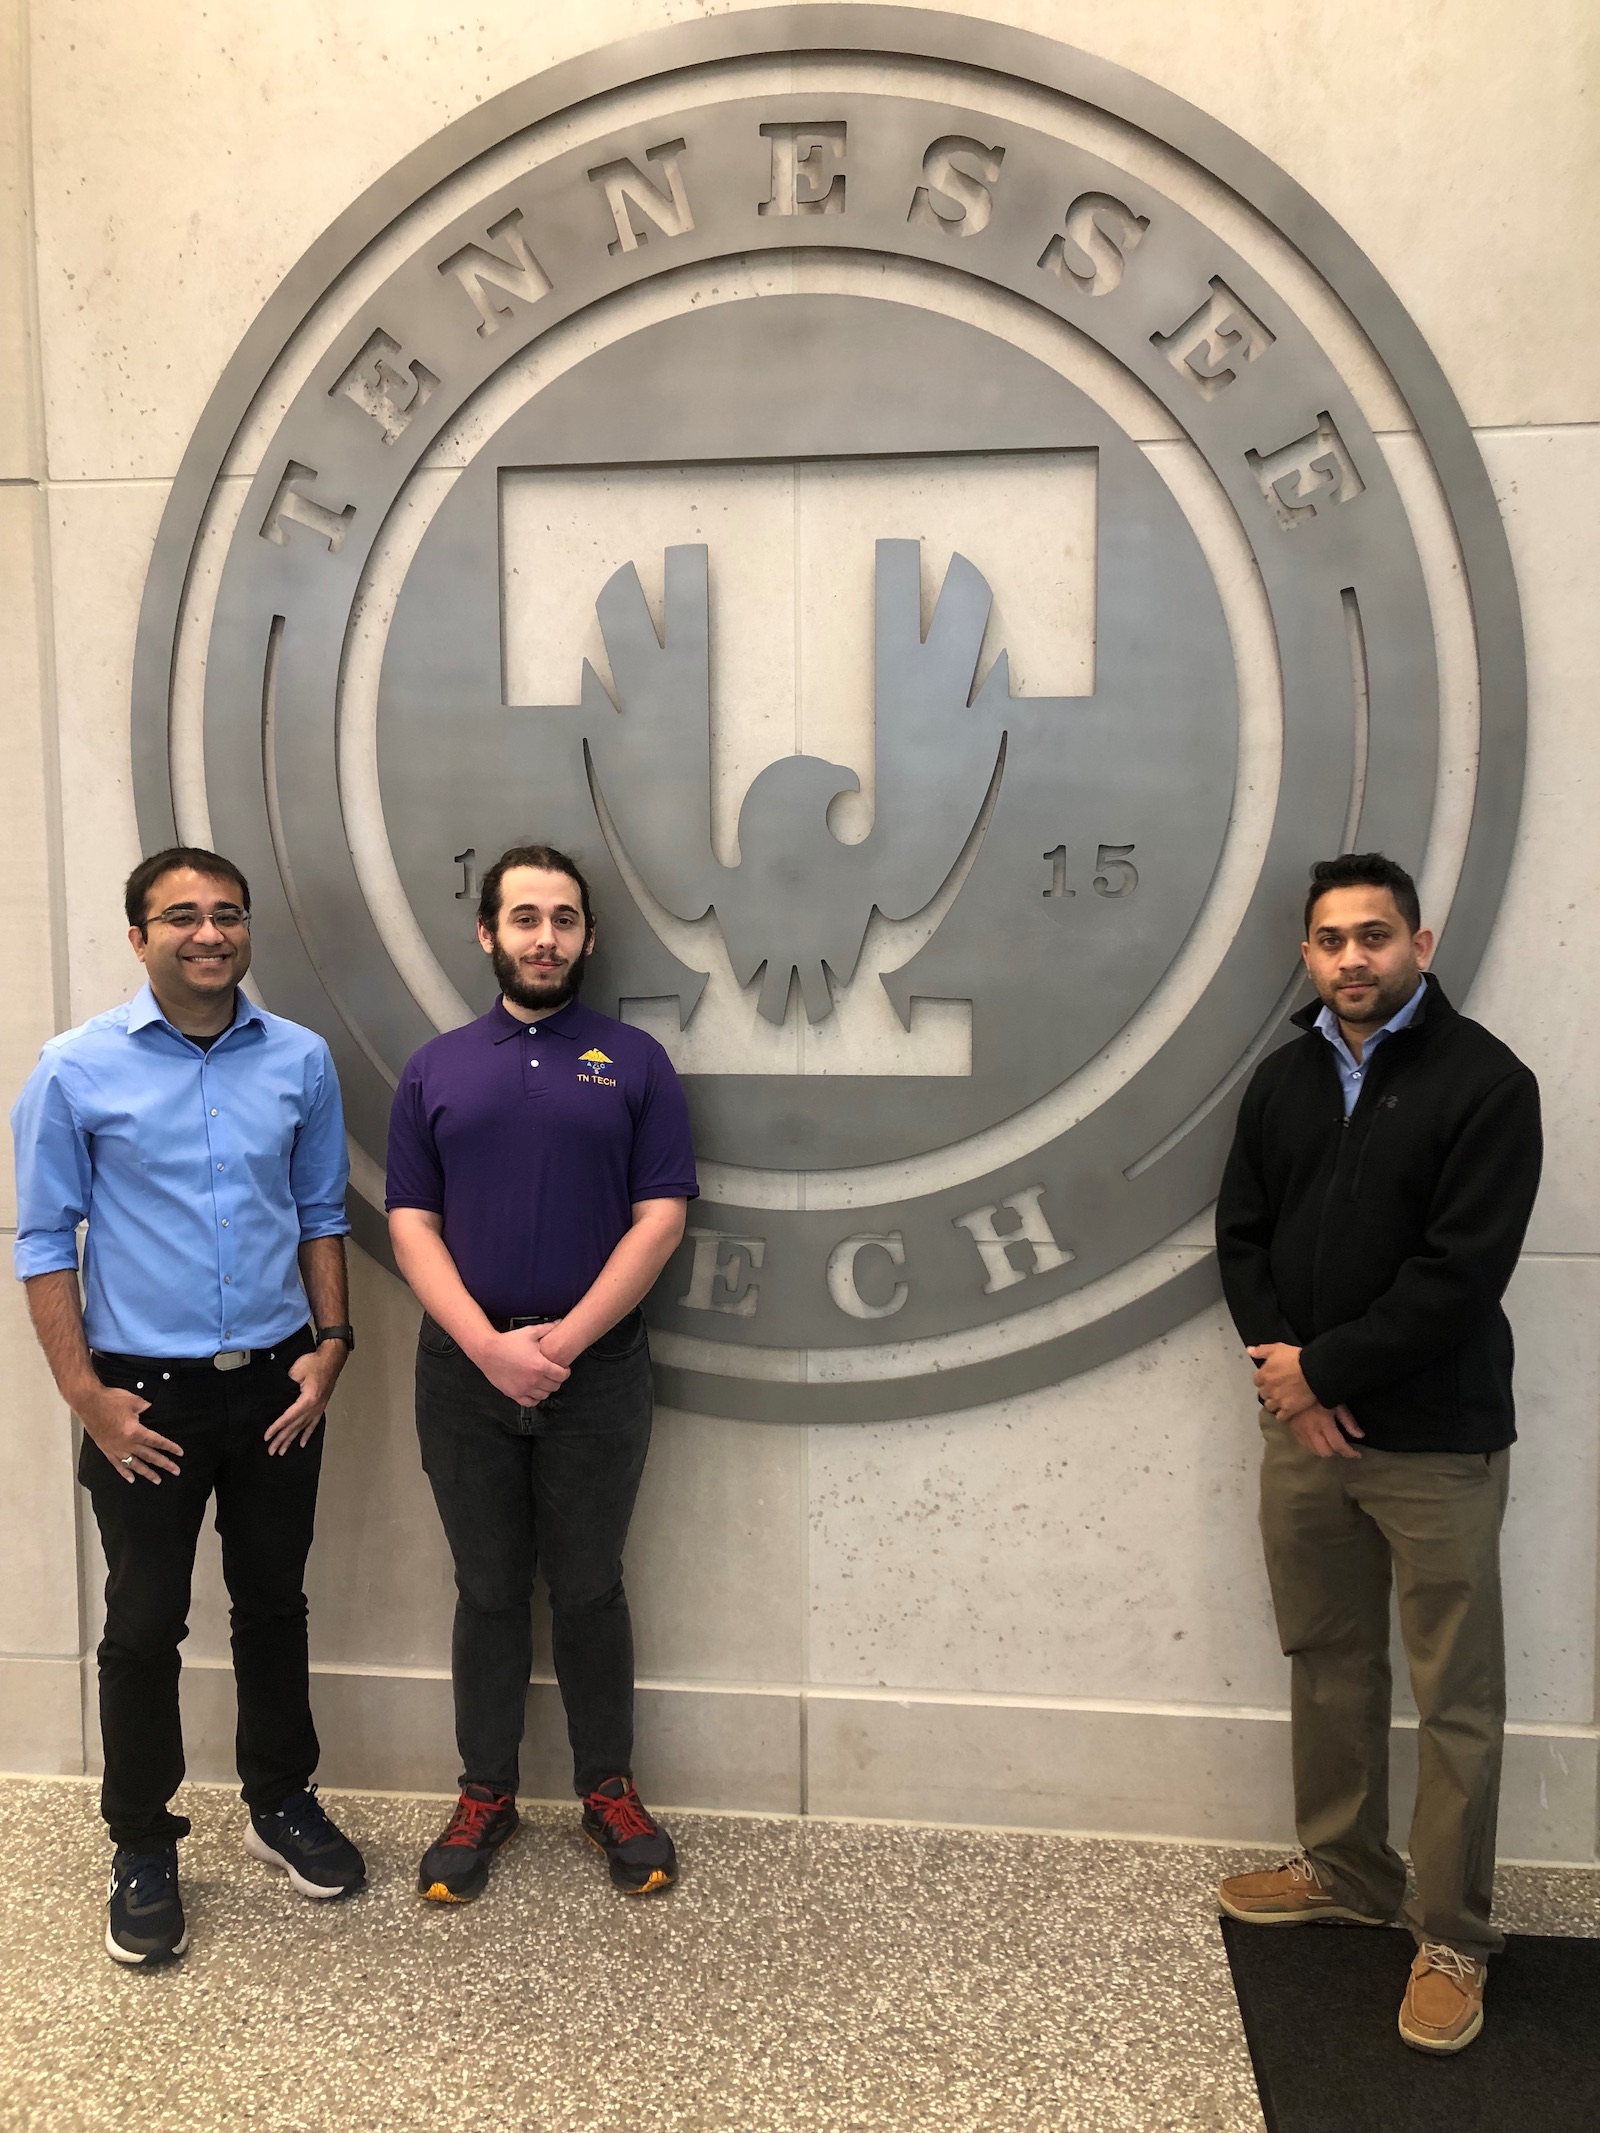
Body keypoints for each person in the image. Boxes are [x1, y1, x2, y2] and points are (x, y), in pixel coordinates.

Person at [11, 847, 365, 1965]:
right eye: (181, 918)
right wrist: (86, 1398)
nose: (208, 934)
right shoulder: (72, 1071)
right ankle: (143, 1845)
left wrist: (333, 1346)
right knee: (140, 1626)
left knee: (273, 1604)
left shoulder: (299, 1061)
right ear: (137, 937)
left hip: (275, 1385)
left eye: (227, 915)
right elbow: (40, 1240)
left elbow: (319, 1214)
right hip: (143, 1401)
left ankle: (279, 1804)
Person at [1214, 851, 1542, 2055]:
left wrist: (1326, 1373)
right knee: (1327, 1654)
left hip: (1436, 1442)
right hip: (1304, 1432)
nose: (1352, 958)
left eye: (1374, 937)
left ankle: (1450, 1929)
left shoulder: (1486, 1083)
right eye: (1330, 940)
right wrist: (1287, 1382)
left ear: (1419, 943)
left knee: (1454, 1691)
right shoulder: (1282, 1082)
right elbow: (1239, 1239)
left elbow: (1458, 1277)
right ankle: (1348, 1869)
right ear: (1306, 954)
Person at [386, 843, 697, 1902]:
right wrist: (488, 1346)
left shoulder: (636, 1062)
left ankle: (607, 1788)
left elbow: (660, 1219)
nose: (545, 938)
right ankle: (486, 1792)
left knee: (590, 1586)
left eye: (564, 920)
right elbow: (410, 1222)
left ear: (588, 939)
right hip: (461, 1372)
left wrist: (559, 1345)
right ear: (488, 934)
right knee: (484, 1589)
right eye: (524, 918)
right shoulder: (435, 1067)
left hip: (596, 1372)